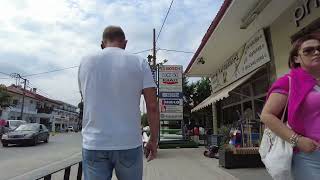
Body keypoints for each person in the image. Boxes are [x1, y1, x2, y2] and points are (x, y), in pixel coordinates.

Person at [78, 26, 159, 180]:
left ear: (102, 44)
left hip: (95, 143)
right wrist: (153, 140)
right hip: (129, 143)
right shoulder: (139, 62)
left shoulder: (85, 62)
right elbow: (152, 106)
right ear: (125, 43)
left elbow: (86, 97)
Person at [261, 32, 320, 180]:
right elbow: (267, 115)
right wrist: (298, 141)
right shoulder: (288, 81)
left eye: (319, 48)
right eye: (308, 50)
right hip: (308, 155)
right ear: (296, 58)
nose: (316, 52)